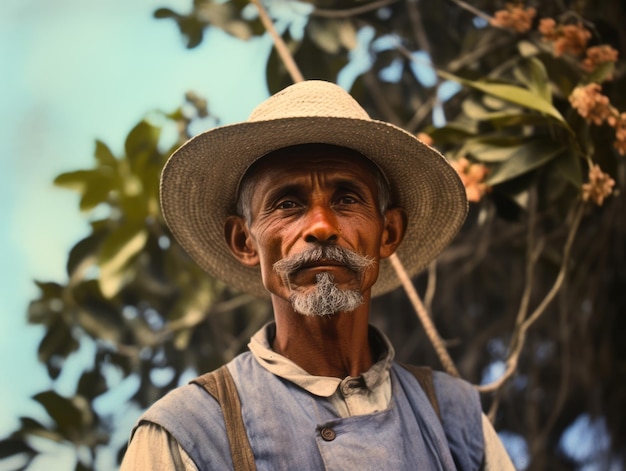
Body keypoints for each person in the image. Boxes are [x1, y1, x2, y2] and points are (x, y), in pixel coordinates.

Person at [121, 80, 515, 470]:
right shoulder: (187, 433)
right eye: (288, 203)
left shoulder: (456, 420)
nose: (322, 226)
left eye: (346, 199)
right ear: (244, 241)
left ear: (388, 233)